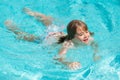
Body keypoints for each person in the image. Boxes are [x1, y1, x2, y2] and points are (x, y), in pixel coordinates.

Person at [4, 7, 100, 70]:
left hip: (58, 32)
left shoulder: (88, 38)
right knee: (27, 37)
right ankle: (12, 27)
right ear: (72, 36)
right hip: (47, 39)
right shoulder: (67, 44)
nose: (86, 35)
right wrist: (68, 63)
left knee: (48, 22)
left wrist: (96, 54)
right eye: (81, 34)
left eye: (86, 32)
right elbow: (59, 58)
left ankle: (32, 13)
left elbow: (95, 44)